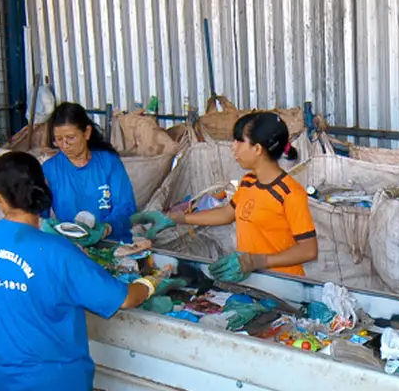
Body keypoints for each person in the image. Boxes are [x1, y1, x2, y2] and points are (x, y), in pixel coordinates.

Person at [0, 152, 163, 391]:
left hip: (5, 388)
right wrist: (151, 281)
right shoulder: (58, 252)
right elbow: (124, 298)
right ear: (44, 188)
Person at [135, 111, 317, 282]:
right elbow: (226, 214)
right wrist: (175, 218)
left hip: (283, 284)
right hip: (251, 279)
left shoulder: (290, 193)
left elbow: (309, 250)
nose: (233, 147)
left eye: (239, 141)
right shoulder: (248, 182)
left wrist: (256, 261)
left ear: (257, 149)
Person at [41, 102, 137, 244]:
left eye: (71, 138)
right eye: (59, 139)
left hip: (112, 244)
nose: (65, 145)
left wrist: (106, 229)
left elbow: (125, 205)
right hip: (72, 247)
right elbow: (39, 214)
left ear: (87, 133)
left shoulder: (108, 162)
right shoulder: (50, 169)